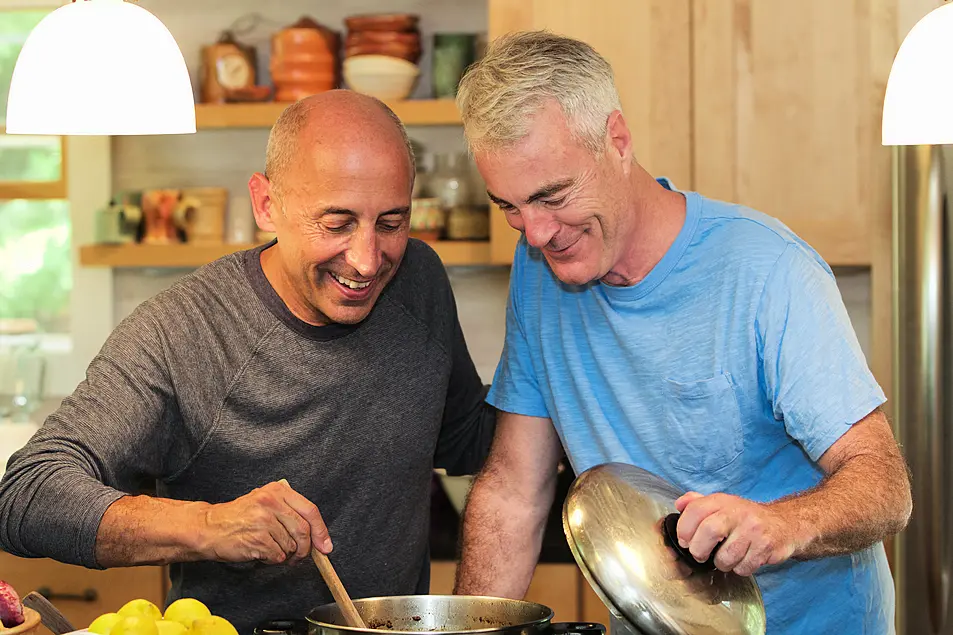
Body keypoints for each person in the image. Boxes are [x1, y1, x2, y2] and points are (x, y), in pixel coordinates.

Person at [450, 31, 912, 634]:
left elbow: (884, 484)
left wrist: (781, 526)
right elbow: (514, 488)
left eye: (553, 195)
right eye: (508, 206)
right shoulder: (539, 273)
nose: (535, 233)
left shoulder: (766, 271)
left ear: (617, 141)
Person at [0, 90, 495, 634]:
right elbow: (28, 493)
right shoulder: (184, 331)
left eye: (391, 222)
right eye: (336, 223)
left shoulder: (417, 280)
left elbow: (469, 437)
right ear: (266, 205)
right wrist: (210, 525)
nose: (367, 259)